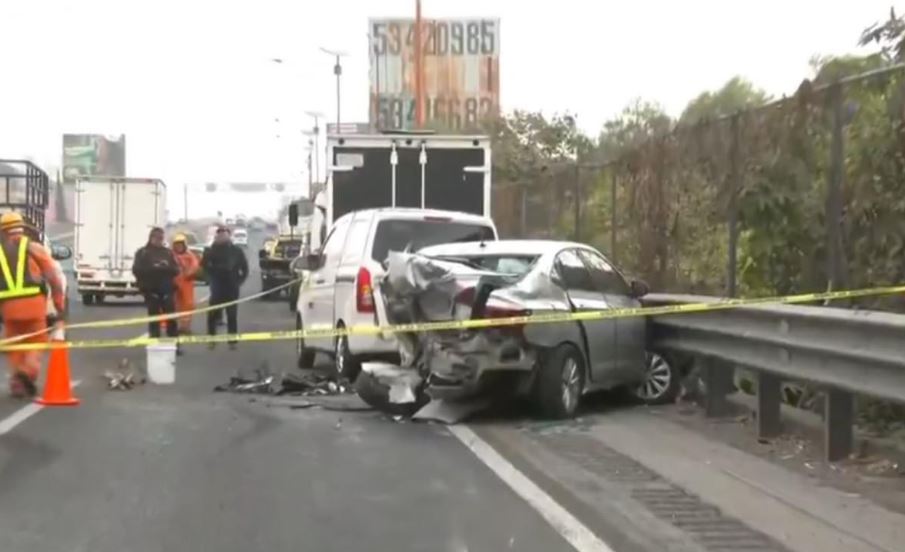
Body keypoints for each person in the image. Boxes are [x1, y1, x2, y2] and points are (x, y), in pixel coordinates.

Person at [0, 213, 66, 398]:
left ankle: (17, 380)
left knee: (14, 343)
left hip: (8, 307)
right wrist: (58, 303)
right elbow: (52, 276)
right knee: (36, 341)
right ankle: (26, 372)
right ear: (22, 228)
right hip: (34, 304)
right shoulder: (33, 248)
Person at [132, 227, 180, 350]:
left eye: (161, 238)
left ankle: (174, 344)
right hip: (151, 291)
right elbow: (136, 270)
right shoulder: (142, 253)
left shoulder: (168, 253)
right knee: (154, 320)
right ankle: (154, 344)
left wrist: (165, 268)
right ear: (151, 238)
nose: (159, 240)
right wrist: (153, 268)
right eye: (157, 238)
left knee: (171, 319)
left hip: (167, 290)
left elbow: (176, 270)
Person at [201, 225, 248, 350]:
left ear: (228, 235)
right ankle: (211, 339)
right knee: (212, 315)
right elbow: (203, 266)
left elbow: (244, 268)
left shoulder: (236, 251)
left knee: (232, 315)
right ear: (217, 236)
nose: (221, 235)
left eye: (224, 233)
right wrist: (209, 278)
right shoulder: (210, 251)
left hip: (232, 287)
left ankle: (232, 341)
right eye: (219, 233)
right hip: (217, 287)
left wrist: (239, 281)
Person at [171, 234, 200, 334]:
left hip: (187, 283)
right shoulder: (171, 255)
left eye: (180, 244)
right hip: (174, 283)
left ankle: (185, 327)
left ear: (184, 245)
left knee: (188, 304)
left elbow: (195, 265)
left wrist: (188, 273)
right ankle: (174, 326)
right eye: (177, 245)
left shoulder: (190, 255)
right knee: (174, 305)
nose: (179, 247)